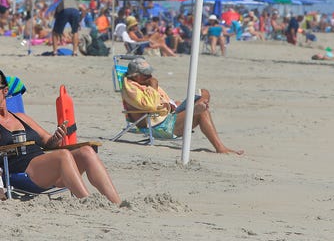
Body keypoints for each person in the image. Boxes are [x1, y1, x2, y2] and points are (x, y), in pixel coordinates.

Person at [0, 70, 120, 204]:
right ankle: (87, 202)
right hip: (24, 173)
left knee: (87, 151)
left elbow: (47, 141)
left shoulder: (21, 117)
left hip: (50, 169)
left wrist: (56, 138)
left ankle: (117, 203)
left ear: (5, 91)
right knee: (63, 155)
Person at [123, 58, 243, 155]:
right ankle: (220, 147)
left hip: (165, 117)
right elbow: (151, 105)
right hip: (157, 126)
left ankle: (194, 108)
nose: (150, 76)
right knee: (202, 112)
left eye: (150, 73)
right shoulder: (131, 87)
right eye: (145, 74)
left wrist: (173, 105)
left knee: (204, 93)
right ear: (135, 75)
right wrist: (153, 86)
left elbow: (160, 101)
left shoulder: (143, 82)